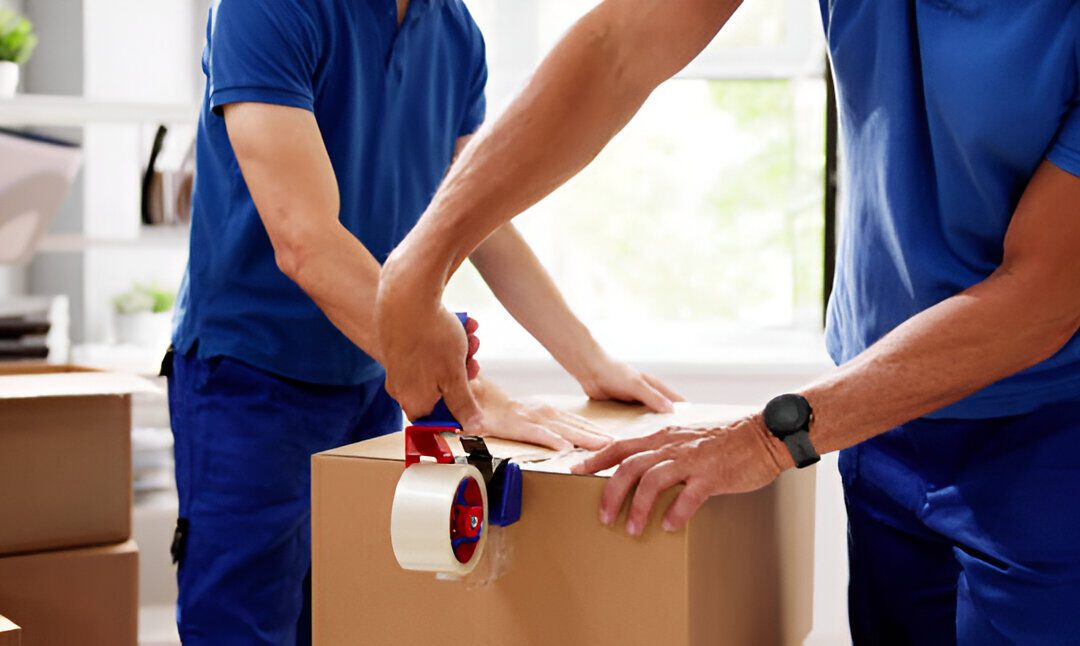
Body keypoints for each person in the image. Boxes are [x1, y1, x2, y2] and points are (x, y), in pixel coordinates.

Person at [373, 0, 1080, 642]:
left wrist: (771, 440)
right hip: (882, 422)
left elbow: (1044, 293)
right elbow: (621, 44)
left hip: (1050, 435)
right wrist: (418, 264)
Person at [166, 0, 681, 643]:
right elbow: (304, 238)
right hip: (249, 377)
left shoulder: (456, 32)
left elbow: (479, 218)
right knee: (243, 627)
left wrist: (590, 361)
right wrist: (460, 391)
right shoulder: (267, 9)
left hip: (373, 379)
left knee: (349, 616)